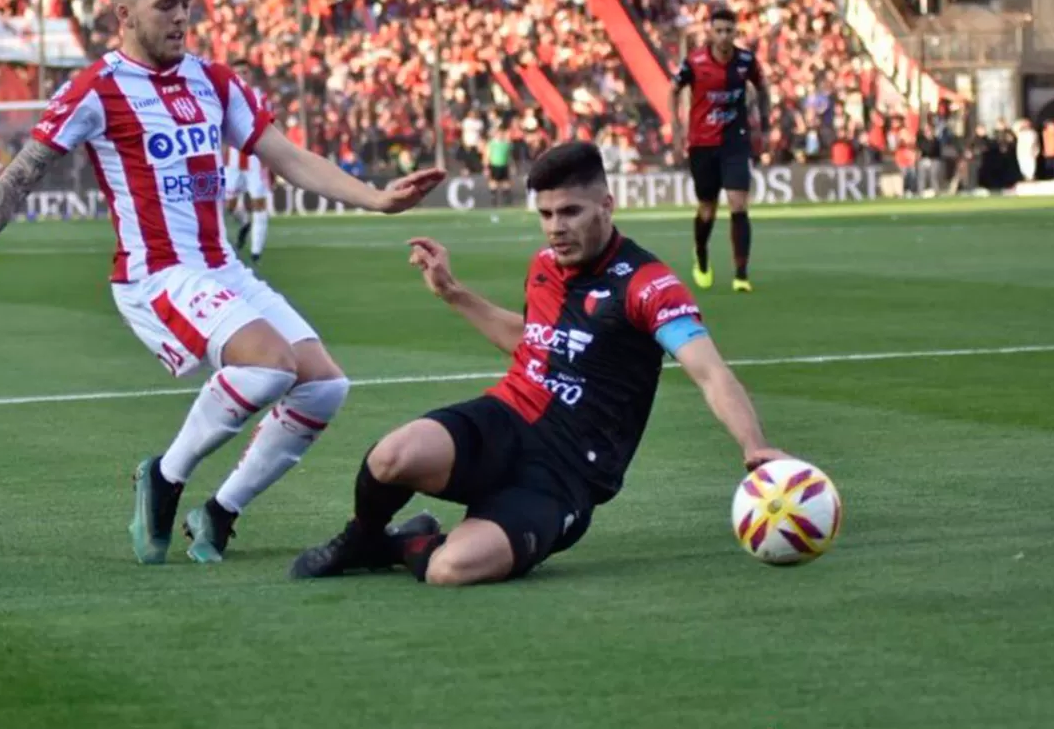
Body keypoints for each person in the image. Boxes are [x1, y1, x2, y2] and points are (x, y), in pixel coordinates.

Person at [0, 0, 445, 566]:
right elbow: (19, 178)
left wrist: (376, 198)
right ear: (123, 13)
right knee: (270, 367)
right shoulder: (97, 89)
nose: (181, 18)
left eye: (187, 5)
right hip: (156, 276)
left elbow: (286, 156)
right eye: (165, 6)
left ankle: (219, 512)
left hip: (219, 265)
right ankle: (165, 479)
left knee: (324, 389)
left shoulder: (214, 80)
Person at [291, 142, 790, 585]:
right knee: (391, 457)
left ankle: (404, 545)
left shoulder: (648, 286)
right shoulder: (545, 266)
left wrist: (754, 444)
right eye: (546, 214)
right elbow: (534, 341)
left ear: (606, 207)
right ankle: (361, 538)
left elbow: (709, 371)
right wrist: (453, 293)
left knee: (450, 570)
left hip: (565, 472)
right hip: (506, 418)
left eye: (570, 212)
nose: (556, 228)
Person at [670, 7, 769, 293]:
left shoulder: (746, 61)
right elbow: (673, 89)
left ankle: (741, 273)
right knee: (707, 210)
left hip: (735, 142)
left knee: (739, 204)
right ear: (711, 32)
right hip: (702, 144)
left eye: (729, 30)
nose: (725, 36)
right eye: (719, 30)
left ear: (735, 32)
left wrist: (763, 123)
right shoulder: (695, 61)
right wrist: (677, 128)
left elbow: (763, 88)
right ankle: (700, 253)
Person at [222, 76, 274, 265]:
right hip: (233, 162)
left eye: (245, 71)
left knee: (259, 207)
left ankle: (256, 252)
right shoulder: (226, 93)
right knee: (227, 203)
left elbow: (270, 125)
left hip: (255, 162)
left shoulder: (262, 97)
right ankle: (244, 223)